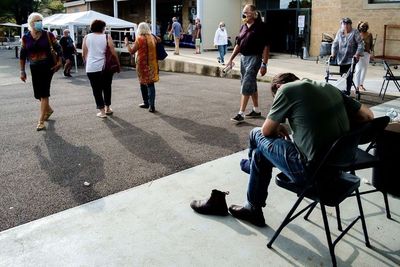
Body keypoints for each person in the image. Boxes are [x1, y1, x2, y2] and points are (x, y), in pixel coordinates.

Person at [228, 73, 374, 227]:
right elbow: (368, 116)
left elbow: (266, 132)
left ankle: (250, 167)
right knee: (260, 154)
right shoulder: (328, 87)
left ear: (278, 87)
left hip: (311, 174)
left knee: (255, 133)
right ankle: (252, 208)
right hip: (338, 169)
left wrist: (275, 125)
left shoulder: (286, 90)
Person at [226, 4, 270, 124]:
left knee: (246, 84)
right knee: (251, 83)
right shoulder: (243, 27)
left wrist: (264, 64)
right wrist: (230, 59)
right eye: (243, 12)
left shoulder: (261, 27)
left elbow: (266, 47)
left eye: (246, 12)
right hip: (243, 59)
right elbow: (238, 45)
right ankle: (256, 110)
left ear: (254, 13)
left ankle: (241, 113)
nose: (244, 14)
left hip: (255, 58)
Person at [20, 12, 62, 131]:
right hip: (34, 67)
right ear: (31, 23)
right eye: (37, 21)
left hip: (47, 67)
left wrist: (59, 61)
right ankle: (48, 110)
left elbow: (58, 48)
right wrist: (22, 71)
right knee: (38, 94)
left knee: (44, 93)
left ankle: (41, 121)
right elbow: (22, 55)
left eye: (40, 20)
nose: (40, 23)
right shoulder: (25, 37)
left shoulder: (48, 35)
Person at [82, 19, 119, 118]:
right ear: (103, 28)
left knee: (96, 89)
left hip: (91, 67)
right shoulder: (107, 37)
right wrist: (117, 62)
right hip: (105, 67)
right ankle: (107, 108)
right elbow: (112, 51)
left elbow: (84, 53)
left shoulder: (86, 37)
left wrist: (87, 62)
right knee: (107, 87)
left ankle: (102, 112)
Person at [125, 22, 160, 113]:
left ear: (139, 30)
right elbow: (159, 40)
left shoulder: (139, 39)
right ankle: (152, 105)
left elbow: (132, 51)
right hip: (152, 64)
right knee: (151, 84)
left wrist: (127, 44)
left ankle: (146, 102)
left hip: (142, 64)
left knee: (142, 82)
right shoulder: (153, 37)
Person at [331, 17, 364, 95]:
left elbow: (360, 44)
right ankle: (343, 89)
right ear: (341, 25)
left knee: (349, 75)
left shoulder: (355, 32)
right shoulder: (339, 32)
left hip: (352, 58)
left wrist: (357, 54)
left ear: (350, 25)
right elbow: (335, 44)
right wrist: (333, 53)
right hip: (341, 57)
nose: (345, 26)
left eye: (347, 24)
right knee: (343, 74)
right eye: (343, 24)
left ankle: (347, 91)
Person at [354, 21, 374, 92]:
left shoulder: (369, 34)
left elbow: (371, 45)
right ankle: (357, 86)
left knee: (364, 69)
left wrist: (372, 53)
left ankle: (361, 85)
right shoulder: (356, 34)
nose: (363, 27)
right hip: (358, 53)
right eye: (362, 26)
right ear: (359, 26)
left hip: (366, 54)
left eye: (365, 26)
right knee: (358, 69)